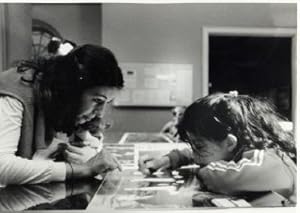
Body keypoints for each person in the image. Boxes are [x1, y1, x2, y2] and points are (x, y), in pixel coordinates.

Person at [0, 44, 124, 186]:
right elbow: (2, 167)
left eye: (106, 103)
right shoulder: (14, 93)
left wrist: (91, 154)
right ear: (73, 90)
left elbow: (89, 139)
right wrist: (84, 168)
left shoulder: (60, 103)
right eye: (97, 101)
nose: (101, 113)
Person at [139, 91, 296, 203]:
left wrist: (203, 171)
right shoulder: (235, 148)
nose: (196, 155)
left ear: (229, 142)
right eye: (193, 146)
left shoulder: (269, 158)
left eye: (198, 146)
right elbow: (198, 152)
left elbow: (226, 179)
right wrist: (168, 159)